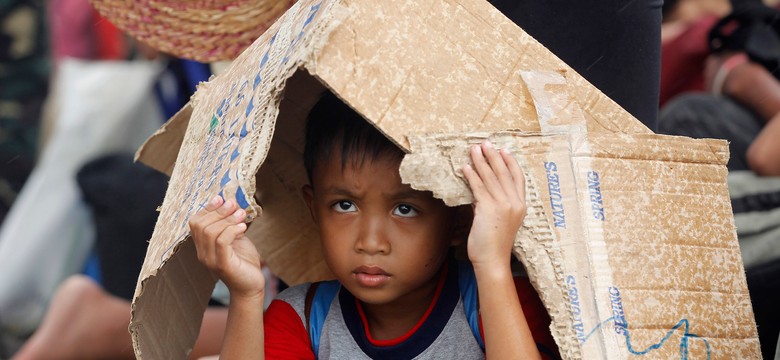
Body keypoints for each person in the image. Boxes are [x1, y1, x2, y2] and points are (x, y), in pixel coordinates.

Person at [190, 92, 558, 358]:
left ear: (460, 219)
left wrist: (492, 265)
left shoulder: (502, 303)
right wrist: (246, 296)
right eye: (345, 205)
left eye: (405, 209)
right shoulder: (302, 319)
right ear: (313, 207)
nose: (370, 242)